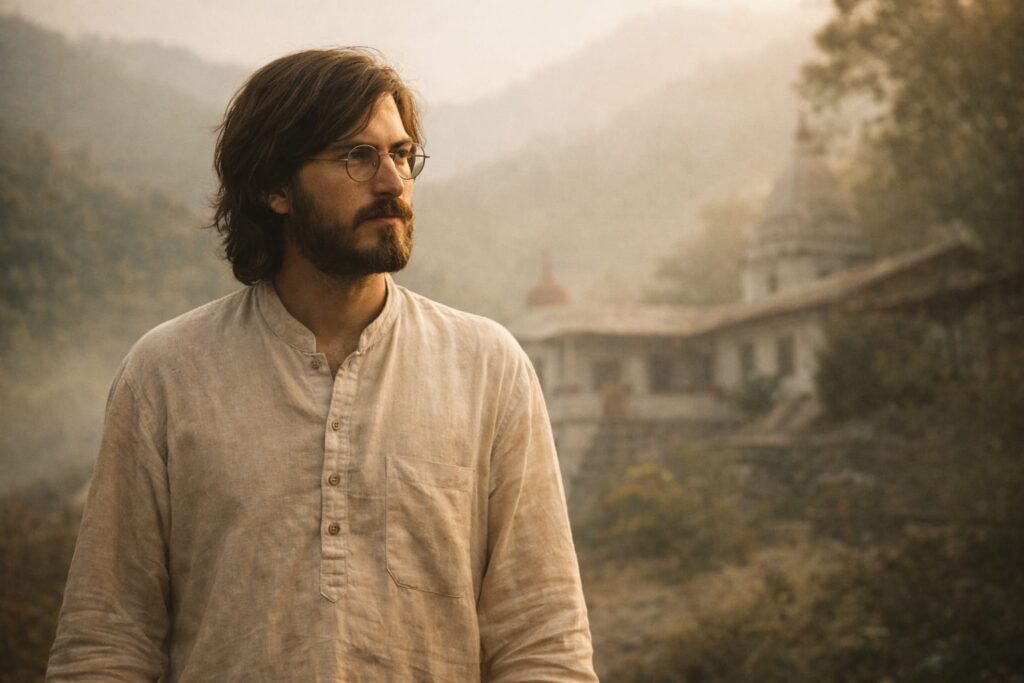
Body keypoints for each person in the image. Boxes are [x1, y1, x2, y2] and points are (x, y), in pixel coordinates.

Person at [47, 48, 596, 681]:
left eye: (401, 154)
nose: (391, 181)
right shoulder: (167, 374)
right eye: (356, 156)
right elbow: (106, 643)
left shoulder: (486, 367)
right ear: (276, 187)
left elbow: (544, 642)